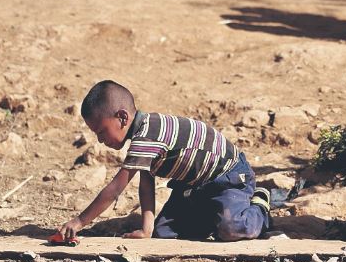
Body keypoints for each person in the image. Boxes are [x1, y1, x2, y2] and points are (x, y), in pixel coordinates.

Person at [58, 80, 270, 242]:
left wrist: (79, 221)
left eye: (102, 131)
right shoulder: (144, 135)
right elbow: (146, 185)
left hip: (229, 176)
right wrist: (147, 230)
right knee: (165, 232)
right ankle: (214, 213)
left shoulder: (148, 136)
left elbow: (114, 190)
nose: (100, 140)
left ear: (122, 118)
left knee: (231, 229)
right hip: (194, 187)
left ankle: (259, 202)